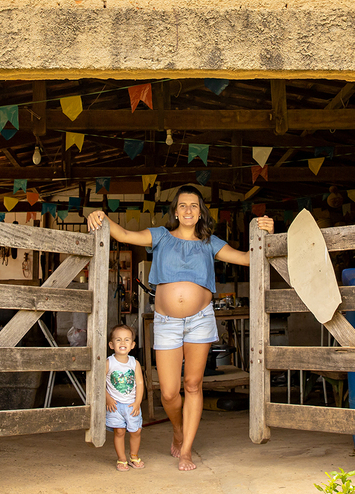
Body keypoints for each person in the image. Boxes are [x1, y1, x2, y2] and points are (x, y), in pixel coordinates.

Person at [88, 185, 273, 471]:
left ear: (201, 213)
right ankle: (177, 429)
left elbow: (249, 258)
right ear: (175, 211)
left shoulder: (210, 243)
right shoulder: (160, 236)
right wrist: (100, 215)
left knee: (193, 385)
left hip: (200, 319)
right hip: (166, 323)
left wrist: (265, 232)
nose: (188, 210)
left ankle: (186, 449)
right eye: (183, 205)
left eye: (194, 206)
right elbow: (124, 234)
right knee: (169, 393)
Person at [105, 324, 145, 471]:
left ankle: (134, 455)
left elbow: (140, 383)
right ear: (111, 344)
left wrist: (137, 402)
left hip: (131, 405)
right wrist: (107, 398)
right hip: (115, 405)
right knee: (119, 432)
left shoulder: (135, 363)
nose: (123, 343)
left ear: (133, 345)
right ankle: (121, 459)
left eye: (127, 340)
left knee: (136, 431)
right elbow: (98, 383)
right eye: (118, 340)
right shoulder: (108, 363)